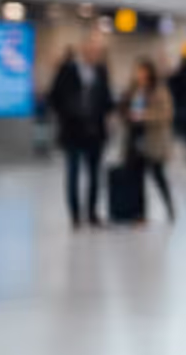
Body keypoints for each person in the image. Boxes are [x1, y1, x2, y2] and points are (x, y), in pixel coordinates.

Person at [50, 30, 114, 227]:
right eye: (91, 49)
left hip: (95, 132)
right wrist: (69, 111)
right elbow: (53, 97)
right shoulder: (67, 69)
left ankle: (92, 212)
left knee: (95, 175)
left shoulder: (101, 71)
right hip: (73, 131)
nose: (94, 54)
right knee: (73, 172)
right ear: (83, 49)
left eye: (98, 50)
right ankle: (75, 215)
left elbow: (107, 99)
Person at [122, 58, 177, 224]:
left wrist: (145, 116)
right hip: (135, 138)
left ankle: (169, 208)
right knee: (136, 178)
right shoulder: (133, 90)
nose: (139, 75)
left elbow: (166, 114)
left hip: (153, 140)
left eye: (142, 71)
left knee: (158, 175)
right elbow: (124, 108)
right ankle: (139, 214)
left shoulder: (159, 91)